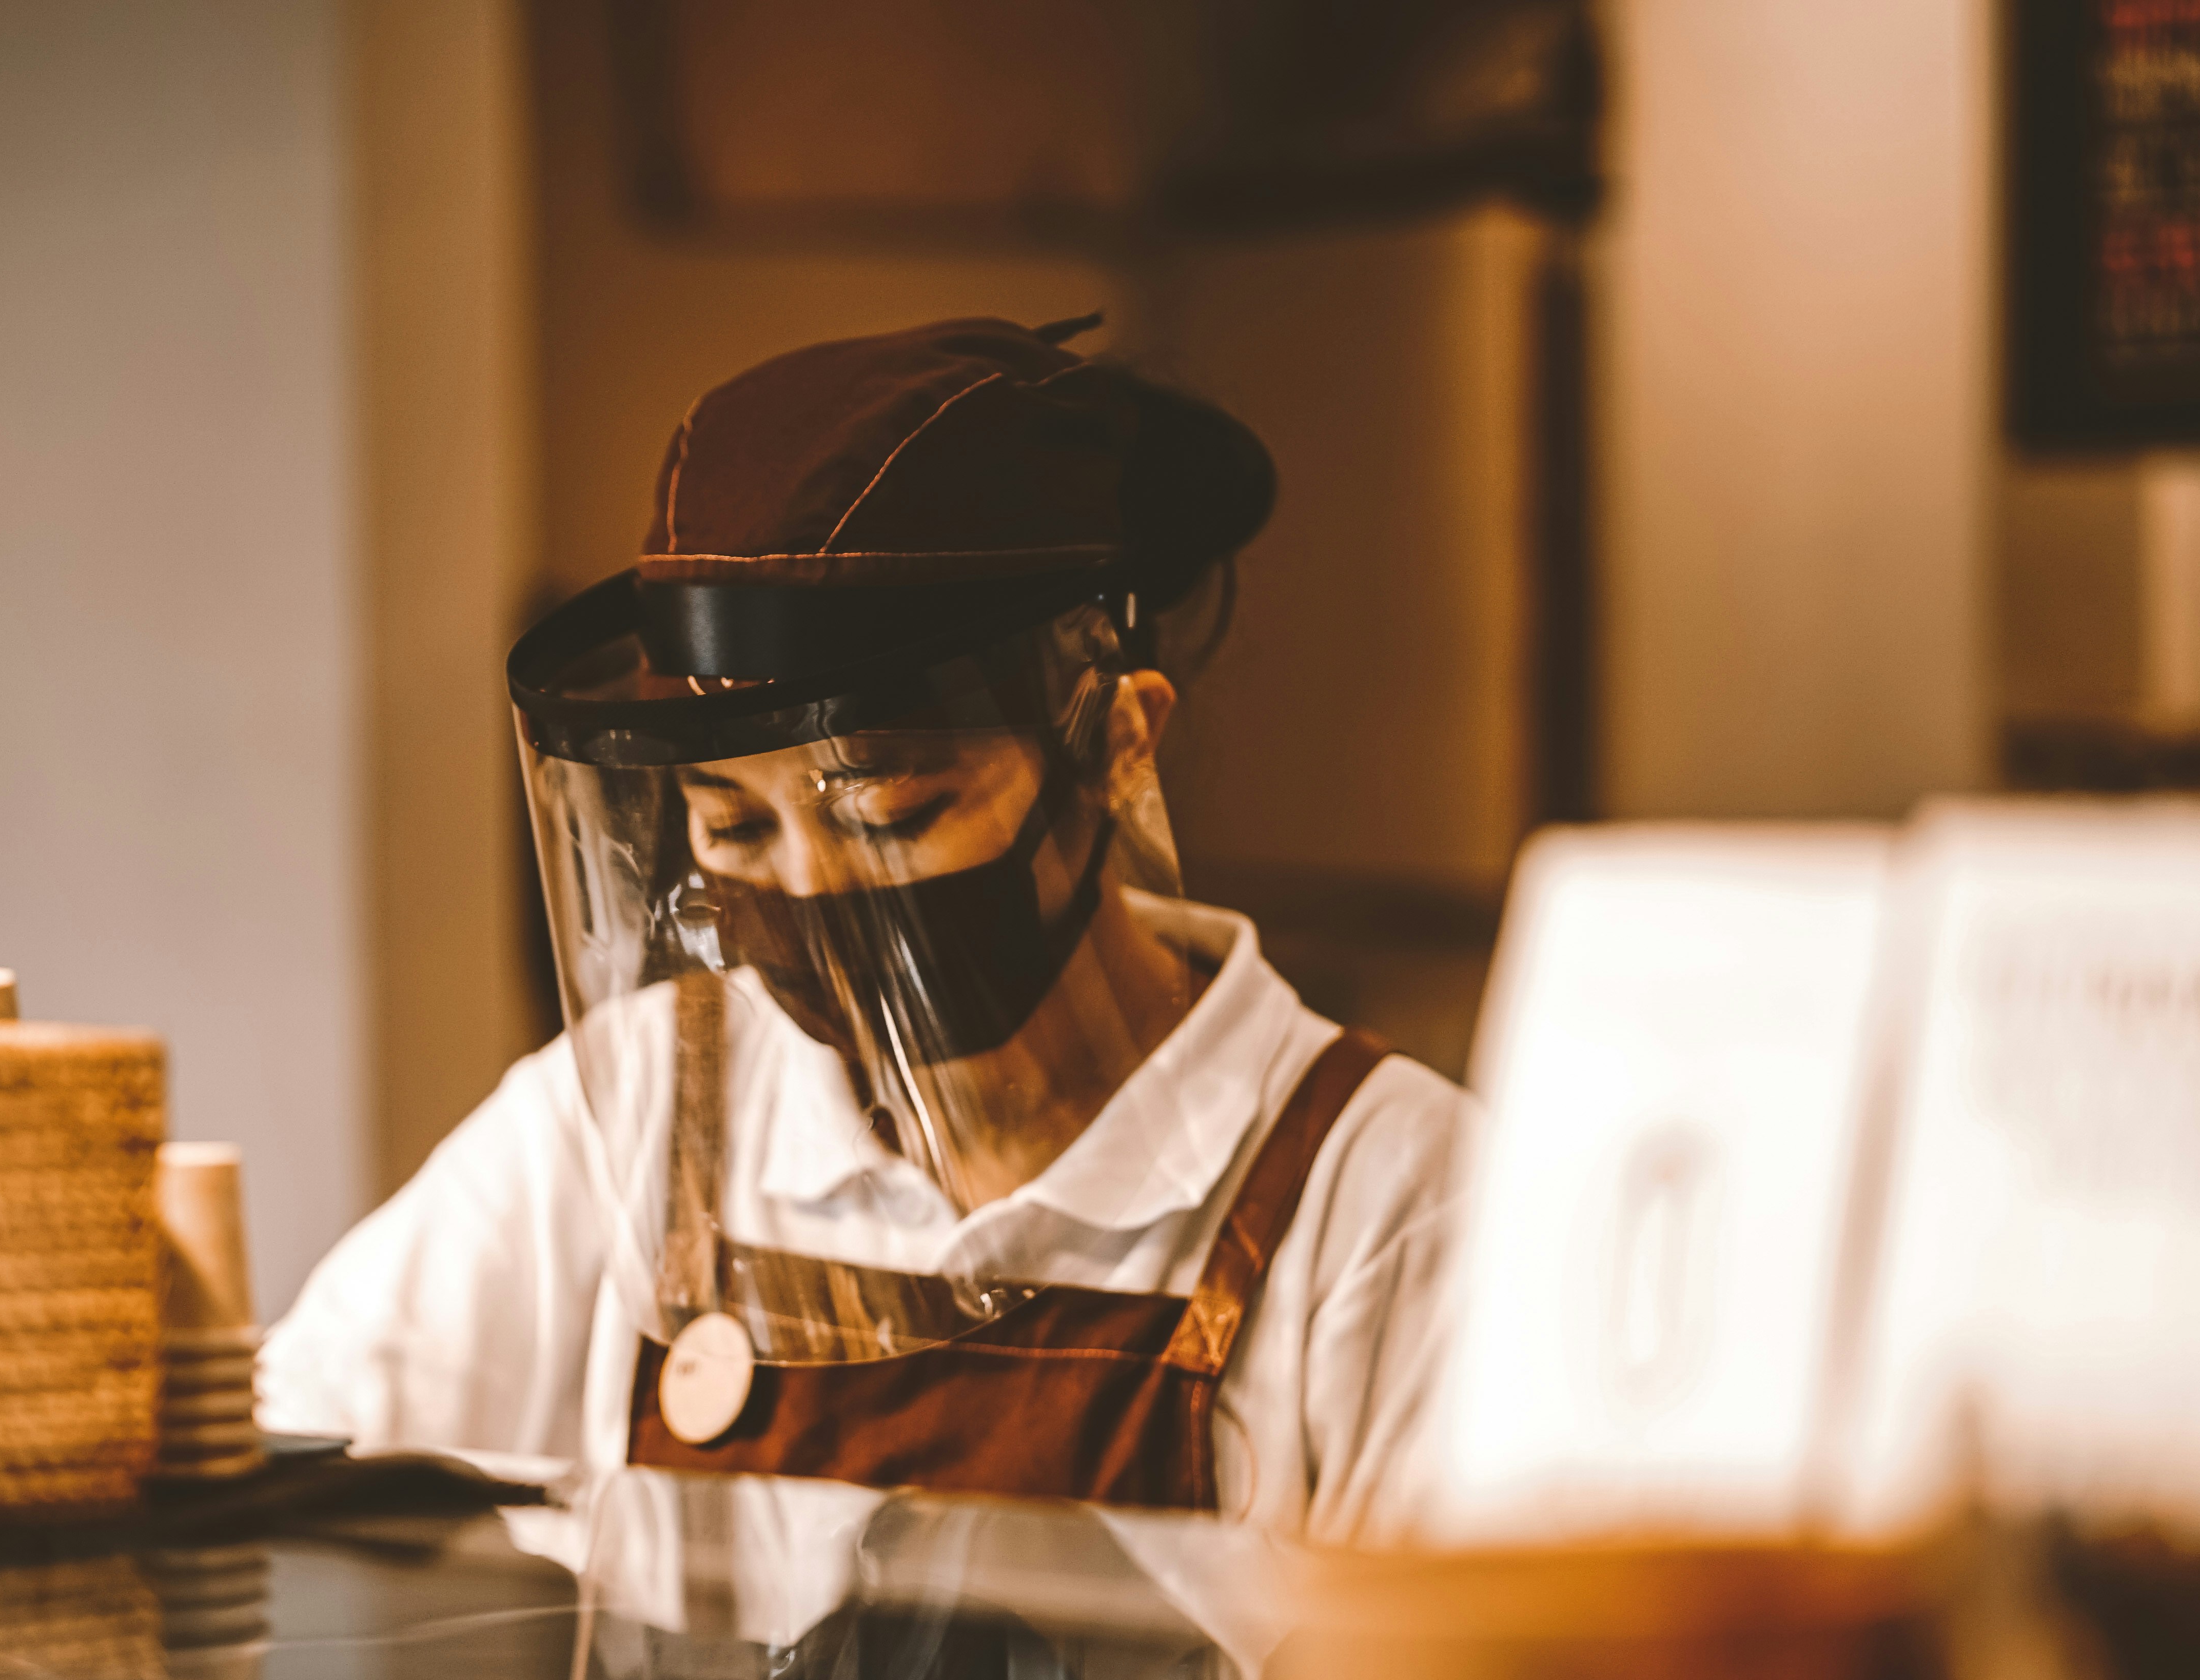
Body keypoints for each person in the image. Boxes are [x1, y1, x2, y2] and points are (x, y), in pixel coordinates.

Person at [262, 314, 1471, 1539]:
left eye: (889, 815)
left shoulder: (1386, 1198)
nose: (810, 890)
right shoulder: (634, 1114)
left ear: (1117, 740)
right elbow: (298, 1475)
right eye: (733, 829)